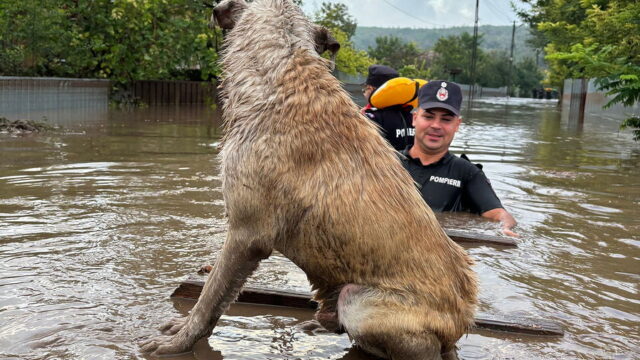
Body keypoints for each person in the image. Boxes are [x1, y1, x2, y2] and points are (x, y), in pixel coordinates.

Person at [399, 80, 518, 236]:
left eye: (446, 119)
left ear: (457, 125)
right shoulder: (386, 162)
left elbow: (498, 214)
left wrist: (505, 227)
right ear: (414, 119)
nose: (436, 125)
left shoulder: (466, 172)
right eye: (428, 117)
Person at [361, 64, 415, 151]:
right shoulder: (412, 116)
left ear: (370, 89)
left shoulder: (371, 117)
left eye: (365, 89)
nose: (364, 93)